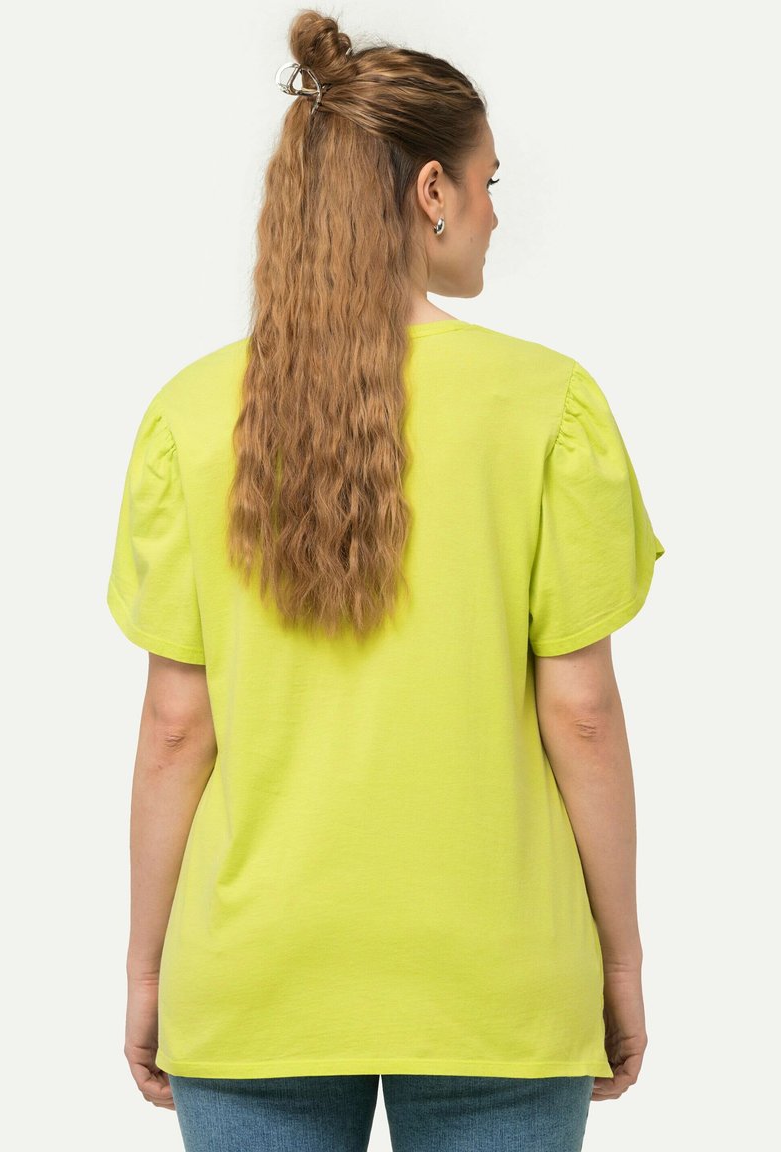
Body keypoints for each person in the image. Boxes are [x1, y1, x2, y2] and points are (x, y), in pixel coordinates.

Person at [106, 9, 665, 1152]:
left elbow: (174, 730)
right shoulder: (546, 407)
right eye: (487, 182)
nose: (494, 211)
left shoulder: (190, 417)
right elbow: (582, 715)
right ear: (429, 191)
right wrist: (618, 962)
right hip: (497, 979)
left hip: (254, 975)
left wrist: (147, 969)